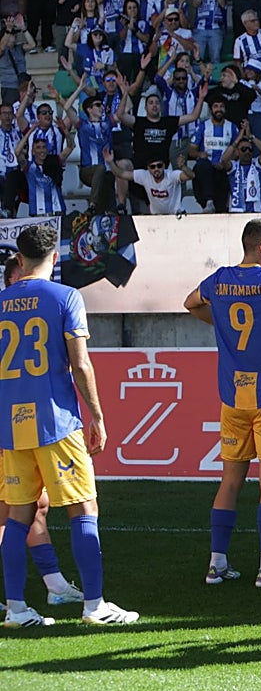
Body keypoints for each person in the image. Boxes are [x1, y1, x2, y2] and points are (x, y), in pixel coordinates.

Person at [0, 224, 139, 627]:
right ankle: (94, 605)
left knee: (17, 516)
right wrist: (96, 415)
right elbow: (80, 363)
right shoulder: (65, 297)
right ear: (55, 258)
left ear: (19, 260)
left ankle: (17, 608)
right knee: (83, 509)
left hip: (12, 424)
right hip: (55, 421)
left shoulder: (2, 301)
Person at [182, 220, 261, 590]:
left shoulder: (219, 279)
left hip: (233, 396)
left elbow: (190, 303)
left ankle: (216, 564)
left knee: (230, 481)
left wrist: (219, 322)